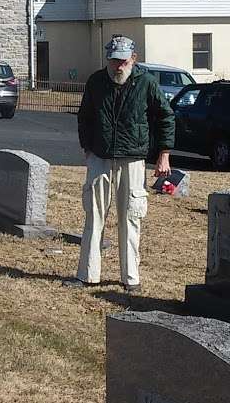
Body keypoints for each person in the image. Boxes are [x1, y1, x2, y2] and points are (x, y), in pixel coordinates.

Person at [67, 35, 175, 293]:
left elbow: (165, 117)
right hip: (100, 157)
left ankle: (131, 278)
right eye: (113, 61)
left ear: (133, 59)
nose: (117, 67)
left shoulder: (146, 83)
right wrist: (87, 148)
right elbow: (85, 116)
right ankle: (87, 274)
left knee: (131, 215)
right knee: (94, 215)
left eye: (123, 61)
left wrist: (164, 154)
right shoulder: (96, 81)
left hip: (133, 158)